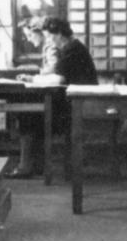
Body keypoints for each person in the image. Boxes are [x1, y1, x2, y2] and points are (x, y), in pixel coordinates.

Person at [9, 17, 98, 178]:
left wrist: (33, 79)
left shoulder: (72, 49)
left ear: (59, 34)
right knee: (31, 113)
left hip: (78, 106)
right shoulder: (72, 47)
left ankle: (27, 166)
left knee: (27, 115)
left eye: (49, 37)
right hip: (75, 102)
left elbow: (58, 79)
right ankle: (34, 165)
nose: (49, 41)